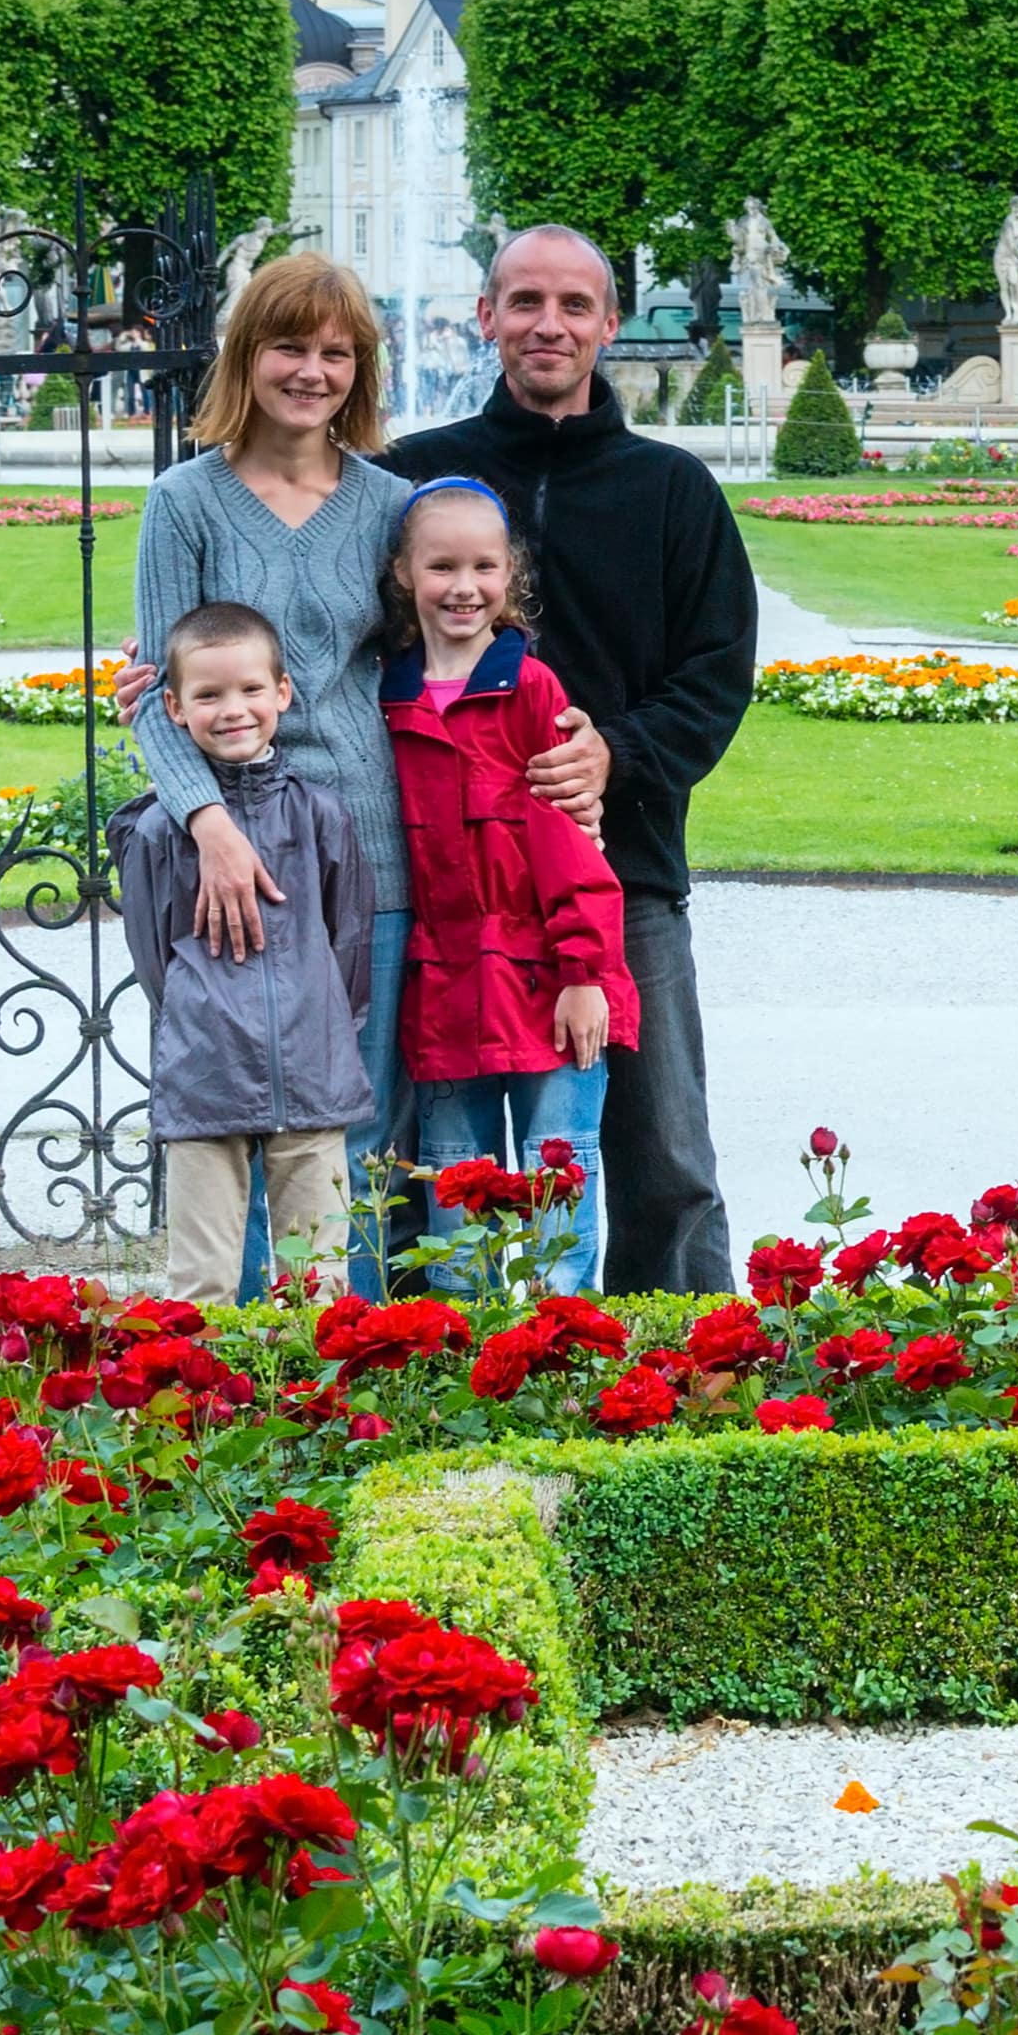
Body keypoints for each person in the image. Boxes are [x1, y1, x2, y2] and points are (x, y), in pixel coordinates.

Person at [384, 225, 757, 1293]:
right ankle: (428, 1359)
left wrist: (617, 754)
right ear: (485, 316)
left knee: (662, 1151)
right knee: (430, 1155)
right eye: (525, 302)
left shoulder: (670, 489)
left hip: (618, 870)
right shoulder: (417, 476)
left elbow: (717, 671)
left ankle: (688, 1364)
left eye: (575, 305)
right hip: (442, 885)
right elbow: (334, 635)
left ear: (606, 322)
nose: (549, 324)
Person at [129, 253, 418, 1294]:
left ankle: (351, 1354)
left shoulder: (392, 503)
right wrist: (209, 825)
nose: (312, 371)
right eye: (289, 346)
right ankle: (238, 1373)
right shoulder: (187, 502)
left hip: (365, 851)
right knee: (232, 1118)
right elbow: (158, 697)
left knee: (354, 1121)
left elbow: (449, 650)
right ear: (247, 354)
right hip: (231, 864)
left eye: (336, 352)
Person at [371, 477, 633, 1295]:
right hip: (445, 990)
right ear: (404, 574)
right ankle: (468, 1373)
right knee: (458, 1192)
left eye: (484, 566)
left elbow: (569, 849)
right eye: (441, 565)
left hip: (550, 980)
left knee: (559, 1185)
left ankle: (567, 1361)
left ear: (508, 574)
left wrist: (585, 974)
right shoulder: (384, 696)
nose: (463, 586)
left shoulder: (530, 690)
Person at [117, 601, 374, 1301]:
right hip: (207, 1071)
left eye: (250, 689)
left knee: (316, 1283)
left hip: (312, 1069)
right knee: (201, 1282)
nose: (233, 709)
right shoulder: (159, 830)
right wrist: (203, 1015)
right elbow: (154, 959)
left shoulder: (320, 812)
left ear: (282, 693)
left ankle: (311, 1405)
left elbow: (346, 934)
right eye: (208, 694)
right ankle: (206, 1408)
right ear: (172, 706)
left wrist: (320, 1023)